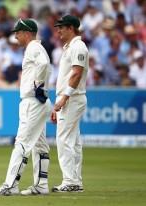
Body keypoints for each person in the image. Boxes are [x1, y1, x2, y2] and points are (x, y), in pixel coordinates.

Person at [0, 18, 52, 196]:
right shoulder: (34, 48)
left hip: (33, 101)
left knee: (22, 143)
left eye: (18, 32)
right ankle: (41, 185)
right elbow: (45, 66)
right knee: (39, 145)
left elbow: (44, 64)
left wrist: (39, 85)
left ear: (27, 33)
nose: (15, 35)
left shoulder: (33, 47)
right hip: (37, 101)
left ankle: (11, 185)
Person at [50, 15, 89, 192]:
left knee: (64, 139)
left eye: (62, 27)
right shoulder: (70, 47)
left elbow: (76, 74)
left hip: (72, 98)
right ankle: (75, 181)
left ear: (71, 28)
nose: (58, 30)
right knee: (73, 141)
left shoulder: (79, 47)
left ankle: (70, 180)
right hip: (68, 98)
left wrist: (63, 99)